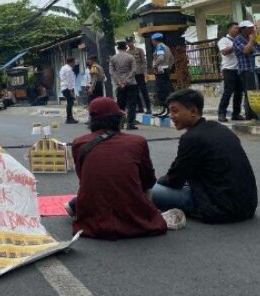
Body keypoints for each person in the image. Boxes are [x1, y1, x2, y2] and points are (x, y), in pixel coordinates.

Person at [66, 97, 179, 240]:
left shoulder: (79, 143)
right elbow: (148, 180)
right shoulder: (137, 141)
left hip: (95, 219)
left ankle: (74, 204)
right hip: (134, 213)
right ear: (118, 119)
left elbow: (84, 177)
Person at [151, 89, 258, 224]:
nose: (171, 116)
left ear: (193, 112)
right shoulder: (220, 128)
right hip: (246, 205)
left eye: (175, 111)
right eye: (170, 111)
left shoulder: (191, 138)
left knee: (148, 190)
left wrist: (158, 181)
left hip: (219, 207)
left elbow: (174, 180)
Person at [233, 20, 260, 120]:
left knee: (256, 91)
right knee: (250, 92)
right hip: (246, 69)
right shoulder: (237, 39)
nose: (252, 29)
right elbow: (246, 51)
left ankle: (254, 112)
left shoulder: (253, 38)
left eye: (252, 28)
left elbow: (259, 51)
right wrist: (251, 40)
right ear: (243, 29)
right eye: (249, 28)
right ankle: (251, 114)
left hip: (256, 69)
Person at [216, 22, 245, 122]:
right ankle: (221, 113)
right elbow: (224, 52)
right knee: (228, 92)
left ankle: (236, 114)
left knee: (239, 92)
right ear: (229, 30)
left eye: (238, 28)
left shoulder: (240, 39)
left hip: (239, 69)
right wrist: (235, 45)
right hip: (229, 70)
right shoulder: (224, 40)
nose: (238, 30)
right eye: (235, 28)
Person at [110, 41, 139, 130]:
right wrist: (126, 81)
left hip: (119, 85)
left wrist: (119, 82)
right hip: (131, 83)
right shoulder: (130, 57)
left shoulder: (113, 58)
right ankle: (130, 124)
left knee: (120, 104)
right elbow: (134, 70)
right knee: (132, 104)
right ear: (126, 48)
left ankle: (120, 123)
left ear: (117, 48)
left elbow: (112, 72)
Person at [151, 33, 174, 118]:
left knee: (161, 90)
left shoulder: (159, 46)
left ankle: (166, 109)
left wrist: (155, 65)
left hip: (161, 71)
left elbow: (160, 58)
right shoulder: (166, 47)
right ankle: (166, 110)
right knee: (166, 89)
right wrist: (168, 67)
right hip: (166, 70)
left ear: (154, 40)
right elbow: (172, 59)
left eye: (152, 40)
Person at [127, 37, 151, 114]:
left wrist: (145, 74)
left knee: (144, 91)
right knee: (135, 92)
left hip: (140, 73)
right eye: (128, 42)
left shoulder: (140, 50)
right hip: (132, 75)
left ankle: (148, 108)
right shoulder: (127, 53)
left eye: (131, 41)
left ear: (133, 41)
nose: (129, 43)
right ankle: (140, 107)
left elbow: (144, 63)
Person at [59, 57, 78, 124]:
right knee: (70, 102)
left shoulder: (63, 68)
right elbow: (69, 81)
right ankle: (69, 118)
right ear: (71, 62)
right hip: (67, 88)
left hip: (64, 87)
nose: (74, 64)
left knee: (70, 102)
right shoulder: (68, 69)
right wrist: (71, 90)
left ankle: (70, 117)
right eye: (74, 62)